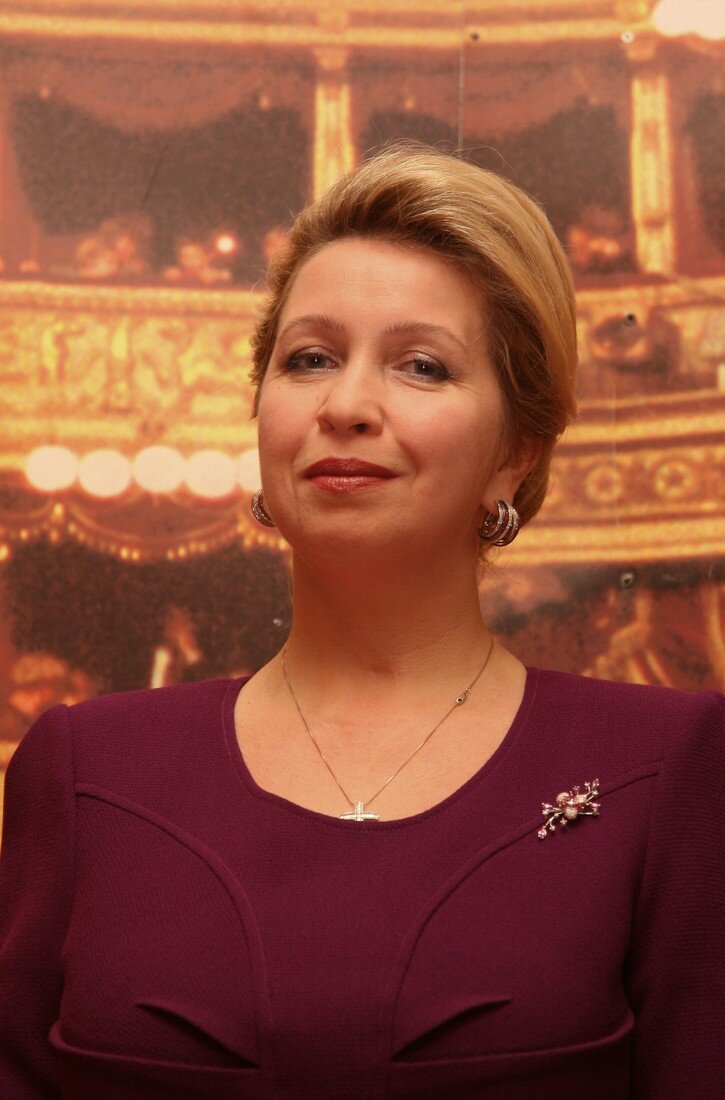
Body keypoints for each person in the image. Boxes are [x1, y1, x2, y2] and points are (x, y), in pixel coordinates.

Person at [0, 141, 722, 1099]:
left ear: (516, 450)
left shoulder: (665, 769)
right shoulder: (84, 772)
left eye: (421, 365)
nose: (345, 405)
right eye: (309, 359)